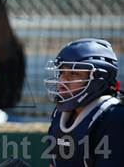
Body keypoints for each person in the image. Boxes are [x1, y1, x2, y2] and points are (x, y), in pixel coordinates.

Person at [44, 38, 124, 167]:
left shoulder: (114, 118)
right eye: (61, 72)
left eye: (74, 73)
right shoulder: (59, 115)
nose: (62, 82)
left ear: (98, 79)